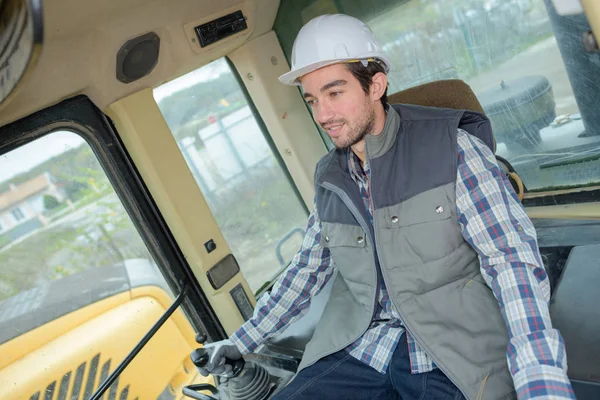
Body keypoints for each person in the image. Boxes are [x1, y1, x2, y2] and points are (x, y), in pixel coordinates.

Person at [197, 14, 574, 400]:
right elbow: (307, 270)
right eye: (312, 99)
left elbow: (510, 261)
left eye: (335, 92)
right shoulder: (330, 177)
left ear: (376, 85)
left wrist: (538, 376)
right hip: (360, 347)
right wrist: (241, 341)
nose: (322, 115)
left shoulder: (453, 148)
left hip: (449, 351)